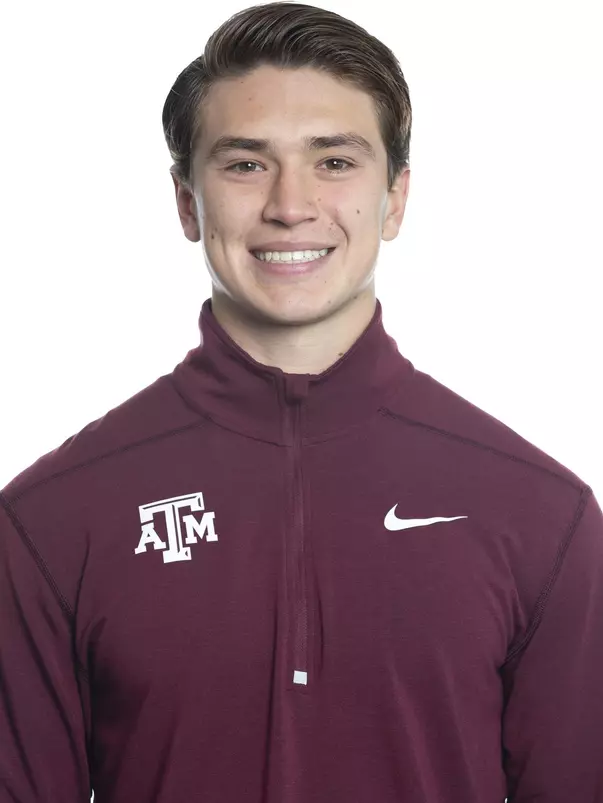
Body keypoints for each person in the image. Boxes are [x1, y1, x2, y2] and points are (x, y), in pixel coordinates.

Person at [1, 3, 602, 802]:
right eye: (245, 164)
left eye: (334, 161)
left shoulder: (541, 513)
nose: (291, 204)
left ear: (394, 200)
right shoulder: (51, 517)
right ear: (187, 202)